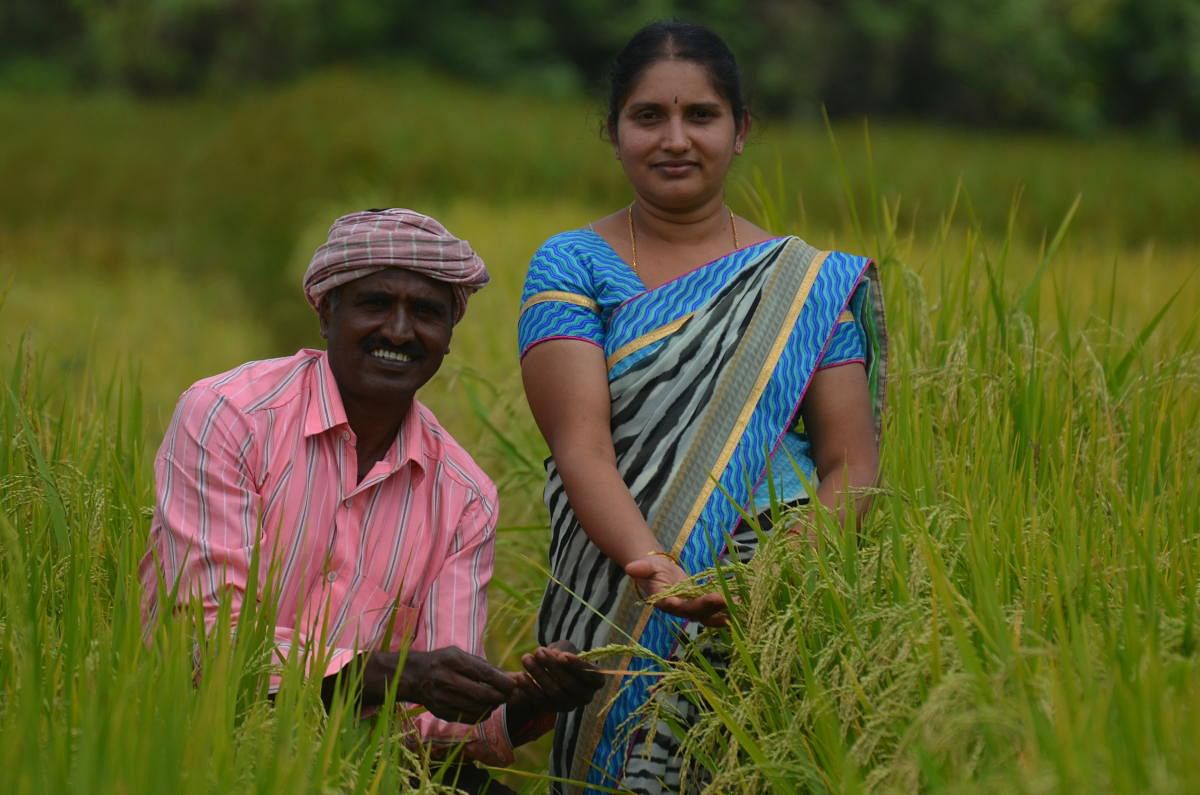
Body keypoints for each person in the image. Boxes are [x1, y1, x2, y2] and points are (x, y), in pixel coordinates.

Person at [518, 21, 888, 794]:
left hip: (775, 604)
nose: (675, 139)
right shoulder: (574, 263)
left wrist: (776, 581)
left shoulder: (805, 285)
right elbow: (581, 447)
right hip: (623, 589)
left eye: (702, 116)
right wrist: (656, 571)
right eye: (648, 116)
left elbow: (850, 464)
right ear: (613, 132)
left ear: (741, 130)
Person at [140, 208, 603, 794]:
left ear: (450, 335)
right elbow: (207, 653)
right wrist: (396, 673)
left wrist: (522, 702)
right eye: (375, 304)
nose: (401, 331)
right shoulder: (228, 417)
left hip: (356, 762)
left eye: (428, 313)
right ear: (326, 312)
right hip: (194, 745)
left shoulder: (464, 498)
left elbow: (431, 724)